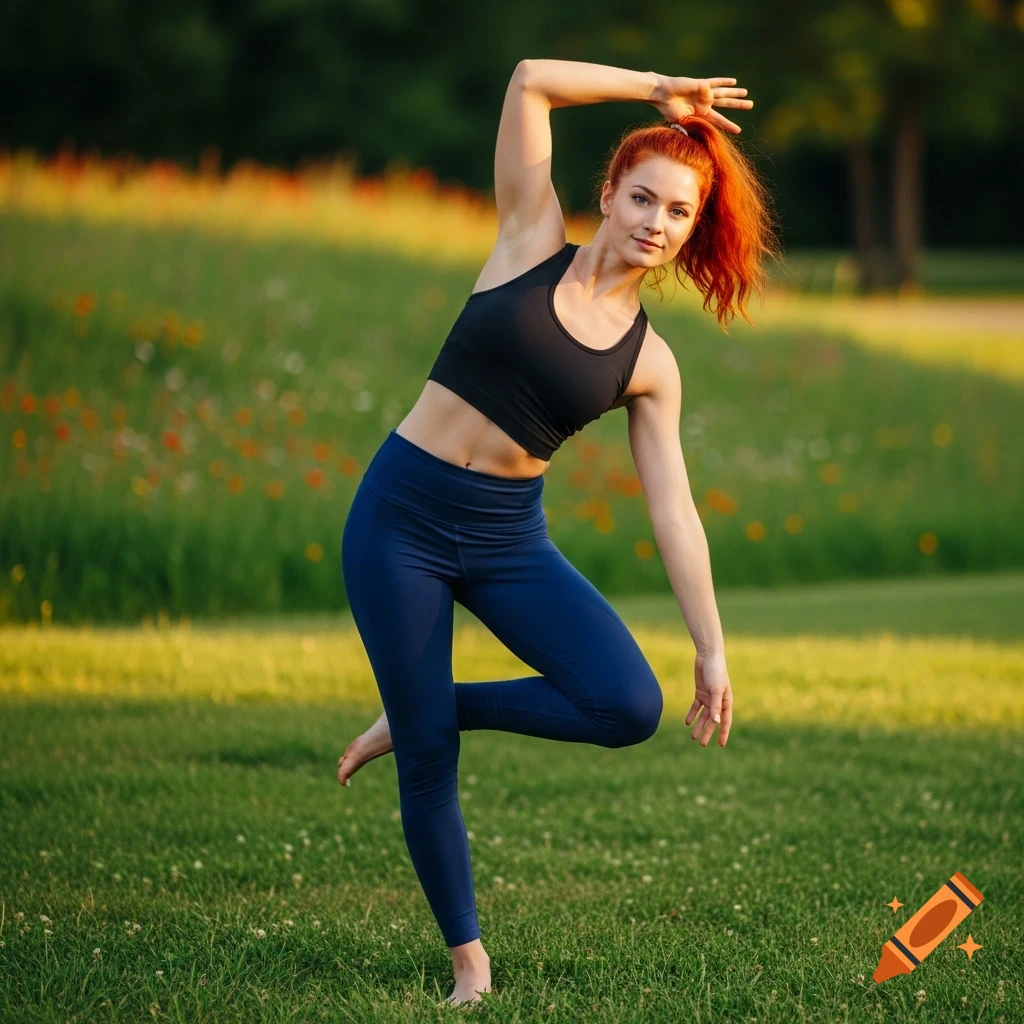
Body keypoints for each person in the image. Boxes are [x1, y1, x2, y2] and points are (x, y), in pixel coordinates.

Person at [338, 58, 780, 1006]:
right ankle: (469, 966)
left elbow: (674, 510)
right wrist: (657, 88)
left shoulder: (649, 363)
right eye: (643, 200)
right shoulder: (527, 241)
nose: (656, 225)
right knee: (429, 763)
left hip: (505, 539)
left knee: (625, 706)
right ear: (609, 194)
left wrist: (712, 652)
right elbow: (531, 79)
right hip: (400, 521)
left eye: (679, 215)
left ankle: (427, 704)